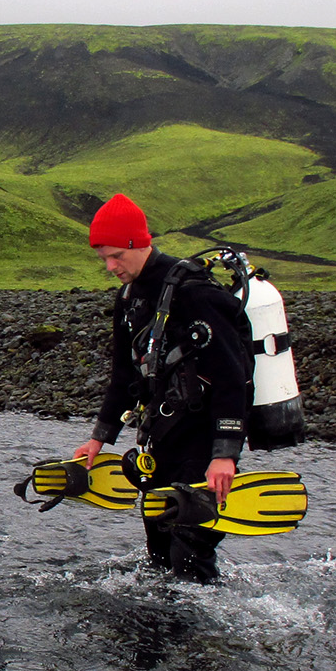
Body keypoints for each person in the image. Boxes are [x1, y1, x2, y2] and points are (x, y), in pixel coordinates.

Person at [71, 194, 253, 583]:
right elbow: (123, 375)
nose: (110, 266)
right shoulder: (129, 298)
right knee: (159, 548)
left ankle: (202, 633)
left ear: (139, 243)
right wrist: (99, 438)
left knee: (190, 547)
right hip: (161, 437)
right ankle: (162, 631)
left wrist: (225, 455)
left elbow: (231, 376)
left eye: (116, 255)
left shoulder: (195, 293)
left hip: (202, 440)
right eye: (103, 258)